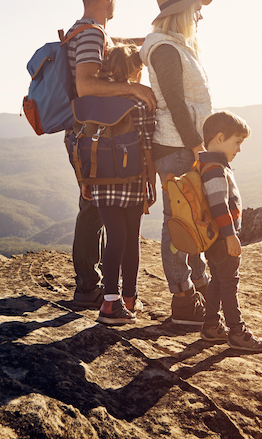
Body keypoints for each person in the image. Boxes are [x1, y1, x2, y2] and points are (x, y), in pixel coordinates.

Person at [66, 0, 156, 307]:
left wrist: (150, 41)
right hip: (93, 136)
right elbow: (87, 85)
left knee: (95, 207)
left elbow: (109, 56)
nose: (115, 0)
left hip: (91, 134)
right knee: (94, 210)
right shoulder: (90, 35)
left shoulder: (89, 32)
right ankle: (91, 288)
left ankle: (97, 287)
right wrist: (133, 88)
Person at [140, 0, 214, 326]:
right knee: (178, 223)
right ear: (182, 11)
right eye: (197, 10)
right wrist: (197, 145)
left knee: (191, 218)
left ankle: (197, 287)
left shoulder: (174, 45)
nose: (200, 16)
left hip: (182, 146)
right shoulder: (167, 49)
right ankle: (183, 300)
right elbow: (176, 103)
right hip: (177, 147)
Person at [88, 45, 156, 325]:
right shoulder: (140, 103)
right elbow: (147, 147)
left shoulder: (94, 101)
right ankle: (119, 300)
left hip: (101, 180)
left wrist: (85, 180)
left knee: (115, 238)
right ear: (136, 71)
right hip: (132, 180)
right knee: (130, 240)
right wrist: (151, 182)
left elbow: (82, 140)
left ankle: (116, 299)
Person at [197, 110, 262, 352]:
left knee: (217, 280)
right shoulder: (214, 169)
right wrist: (230, 235)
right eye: (236, 142)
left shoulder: (207, 164)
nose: (239, 149)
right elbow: (218, 205)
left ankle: (211, 326)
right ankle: (237, 332)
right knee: (229, 283)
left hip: (214, 238)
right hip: (222, 237)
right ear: (219, 138)